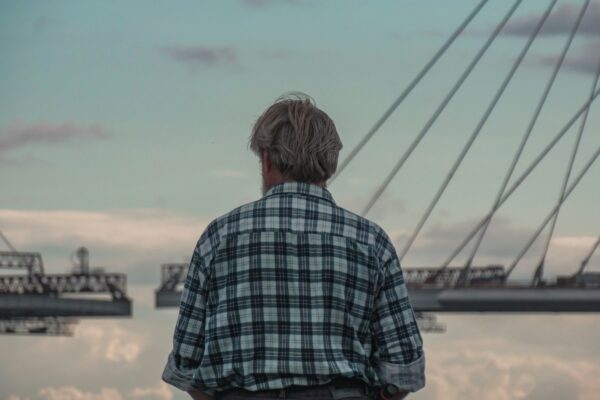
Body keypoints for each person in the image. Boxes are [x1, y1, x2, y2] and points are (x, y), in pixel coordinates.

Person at [162, 94, 425, 400]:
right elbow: (404, 369)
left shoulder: (219, 238)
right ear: (330, 163)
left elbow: (186, 364)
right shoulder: (371, 242)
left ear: (266, 159)